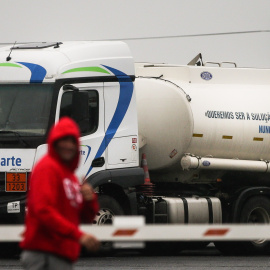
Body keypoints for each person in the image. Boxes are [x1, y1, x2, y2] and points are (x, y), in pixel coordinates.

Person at [20, 117, 100, 270]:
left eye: (72, 141)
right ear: (54, 142)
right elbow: (43, 210)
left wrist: (89, 200)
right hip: (45, 253)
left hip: (60, 254)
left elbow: (83, 218)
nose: (68, 146)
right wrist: (78, 235)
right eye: (63, 140)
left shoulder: (69, 176)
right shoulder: (47, 168)